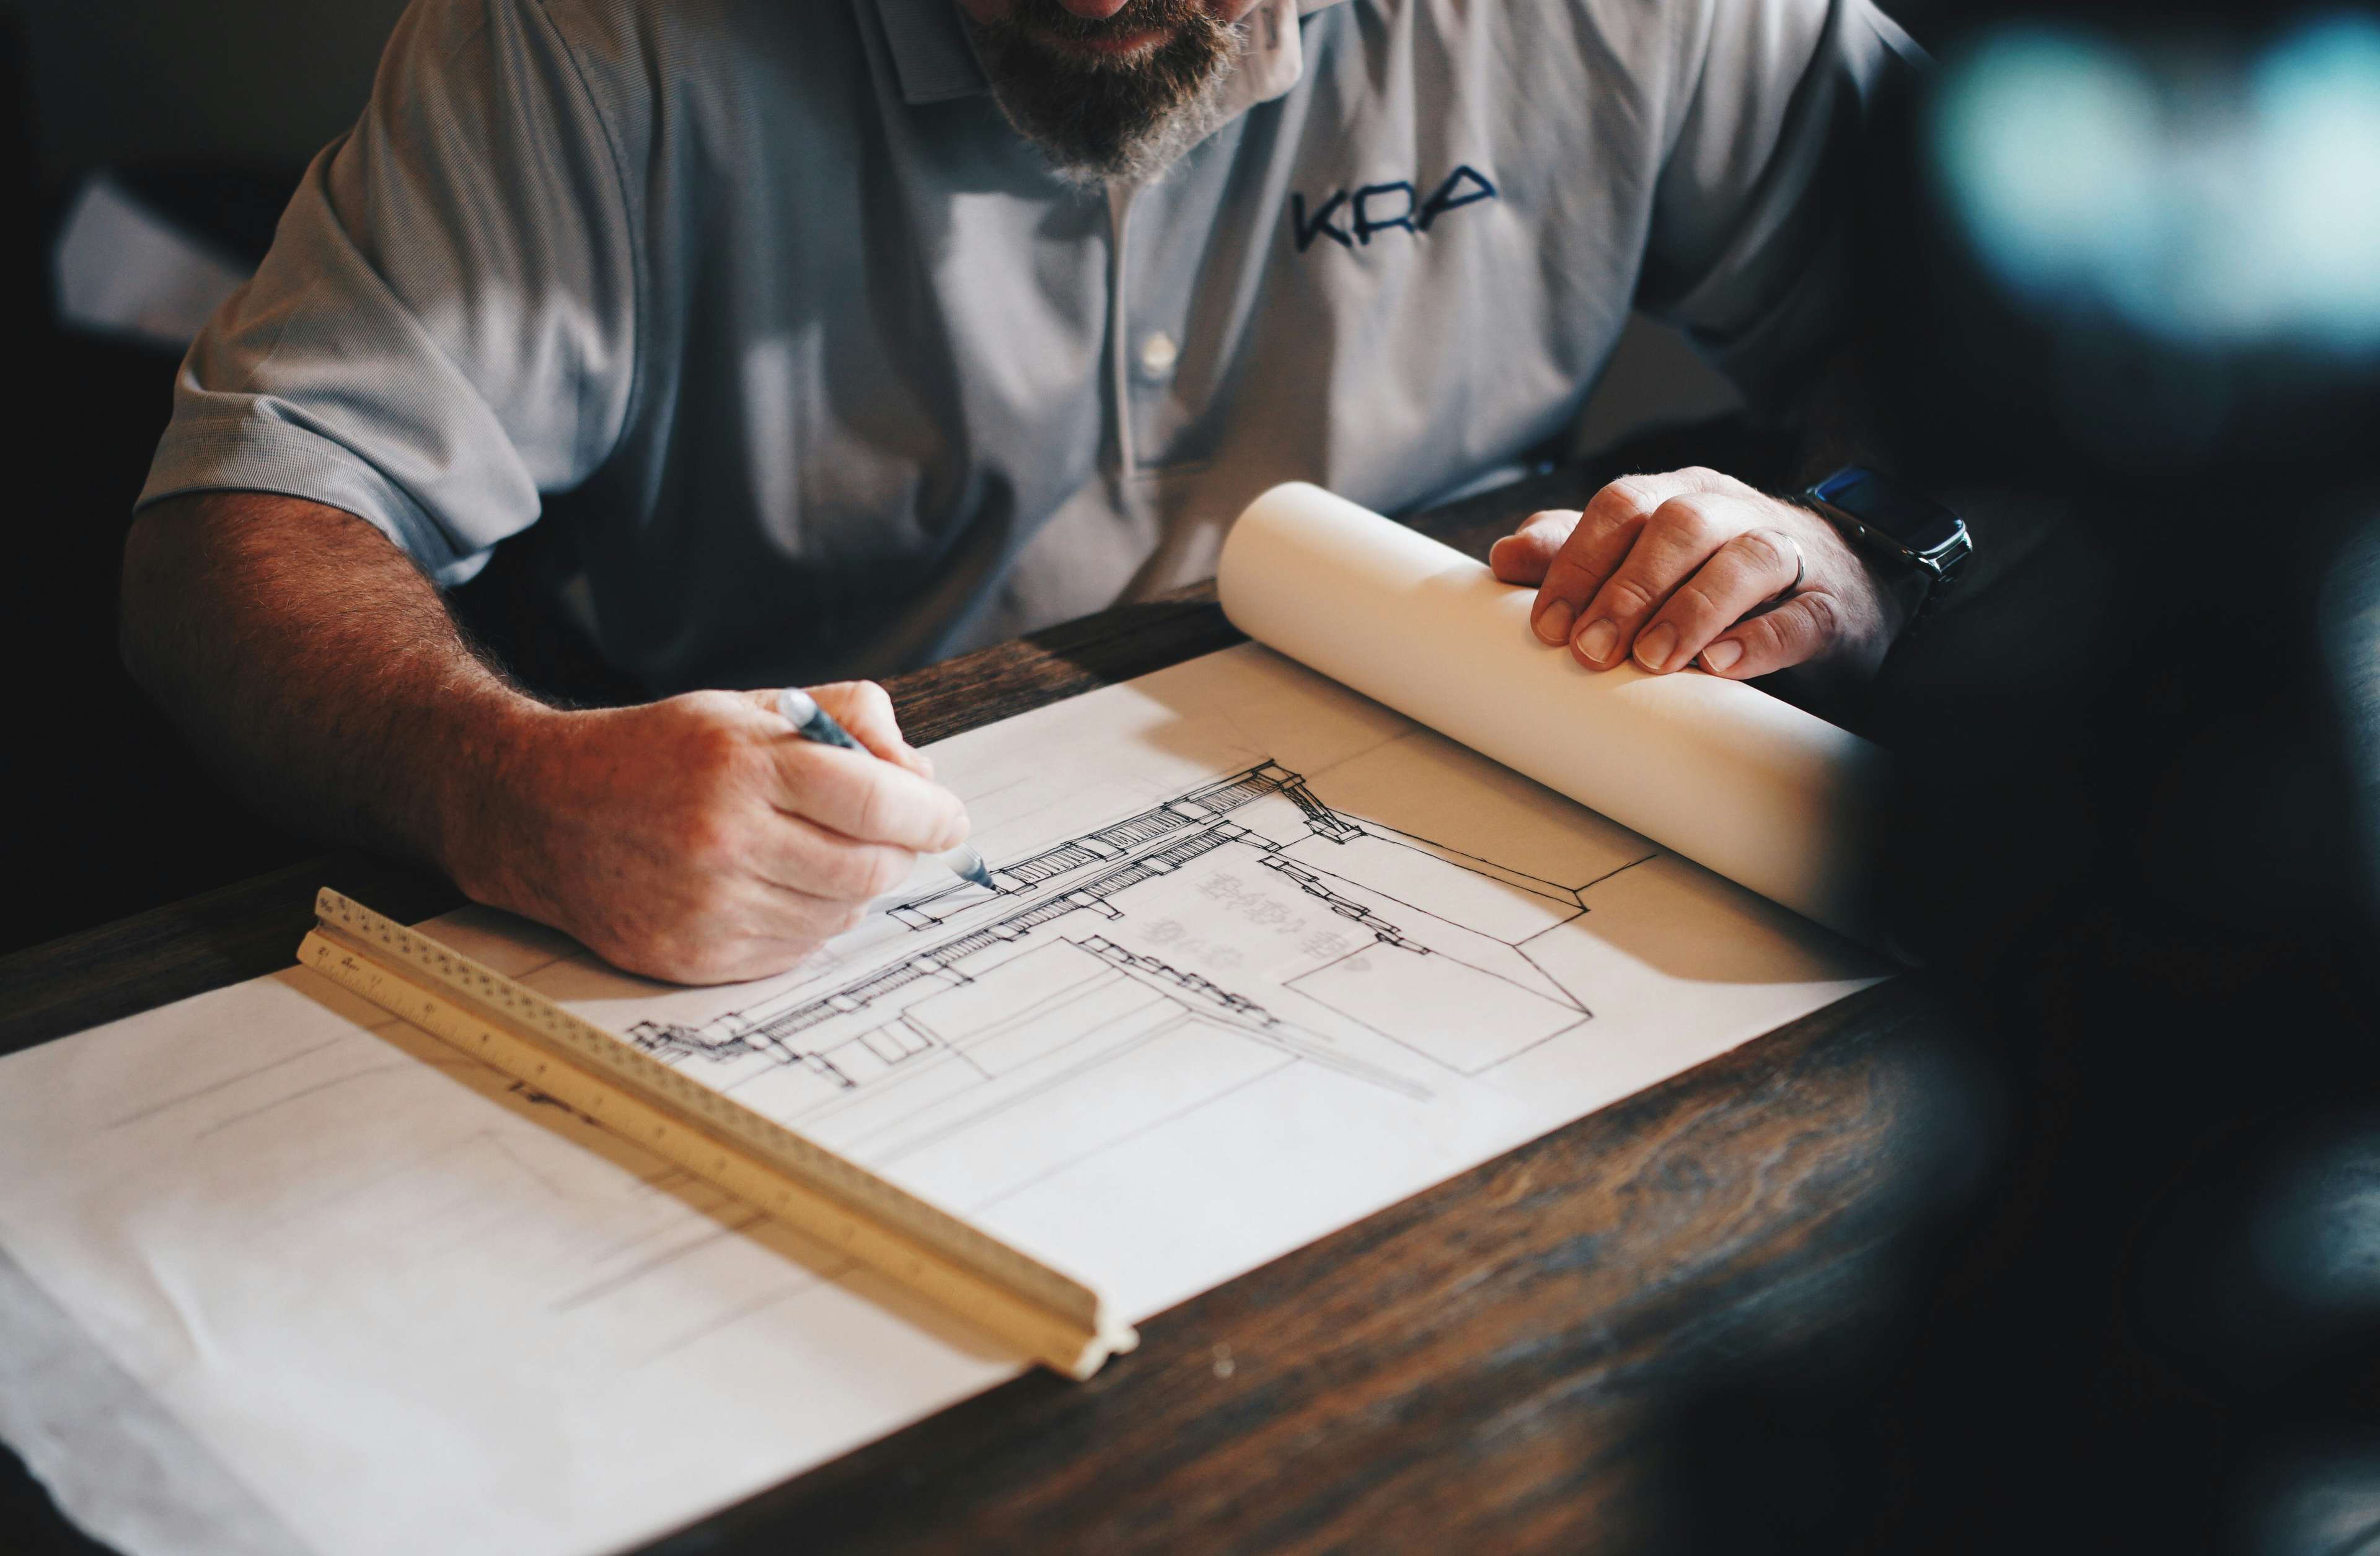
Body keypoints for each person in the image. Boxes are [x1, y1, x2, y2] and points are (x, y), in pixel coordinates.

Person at [120, 0, 1923, 983]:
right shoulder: (586, 38)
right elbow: (239, 527)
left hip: (1511, 866)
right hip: (795, 895)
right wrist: (503, 787)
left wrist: (1855, 535)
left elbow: (2025, 347)